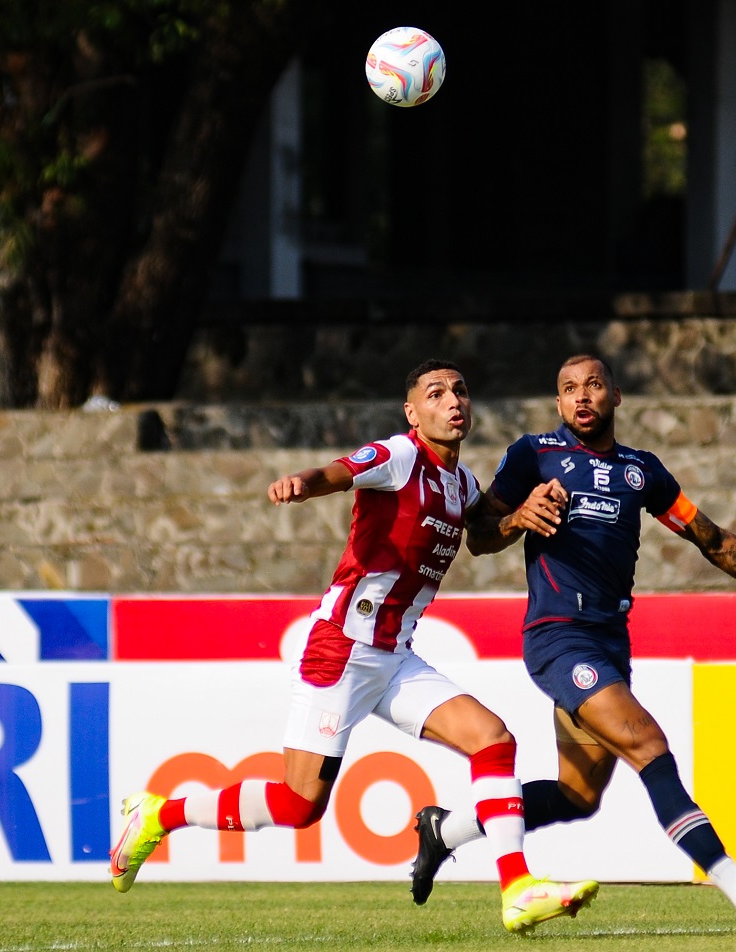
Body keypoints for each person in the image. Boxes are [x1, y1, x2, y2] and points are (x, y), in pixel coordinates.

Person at [109, 358, 598, 934]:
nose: (453, 400)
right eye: (436, 393)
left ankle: (517, 888)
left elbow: (484, 538)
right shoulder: (399, 455)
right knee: (298, 805)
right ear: (413, 412)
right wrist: (302, 484)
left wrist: (519, 515)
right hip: (342, 648)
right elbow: (339, 472)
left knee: (493, 742)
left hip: (396, 658)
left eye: (461, 391)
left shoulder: (463, 484)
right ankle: (159, 814)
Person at [408, 354, 736, 933]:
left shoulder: (641, 471)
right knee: (649, 745)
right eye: (568, 389)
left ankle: (445, 830)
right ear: (559, 403)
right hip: (559, 641)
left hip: (609, 642)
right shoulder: (533, 454)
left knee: (577, 796)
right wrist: (518, 516)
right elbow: (481, 536)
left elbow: (712, 539)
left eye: (593, 385)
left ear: (616, 395)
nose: (581, 397)